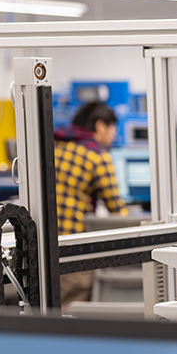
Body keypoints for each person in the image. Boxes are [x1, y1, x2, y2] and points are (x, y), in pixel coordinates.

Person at [54, 101, 127, 307]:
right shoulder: (96, 154)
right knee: (71, 310)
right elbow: (117, 209)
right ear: (100, 126)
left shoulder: (55, 143)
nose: (114, 135)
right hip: (71, 250)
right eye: (113, 128)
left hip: (41, 246)